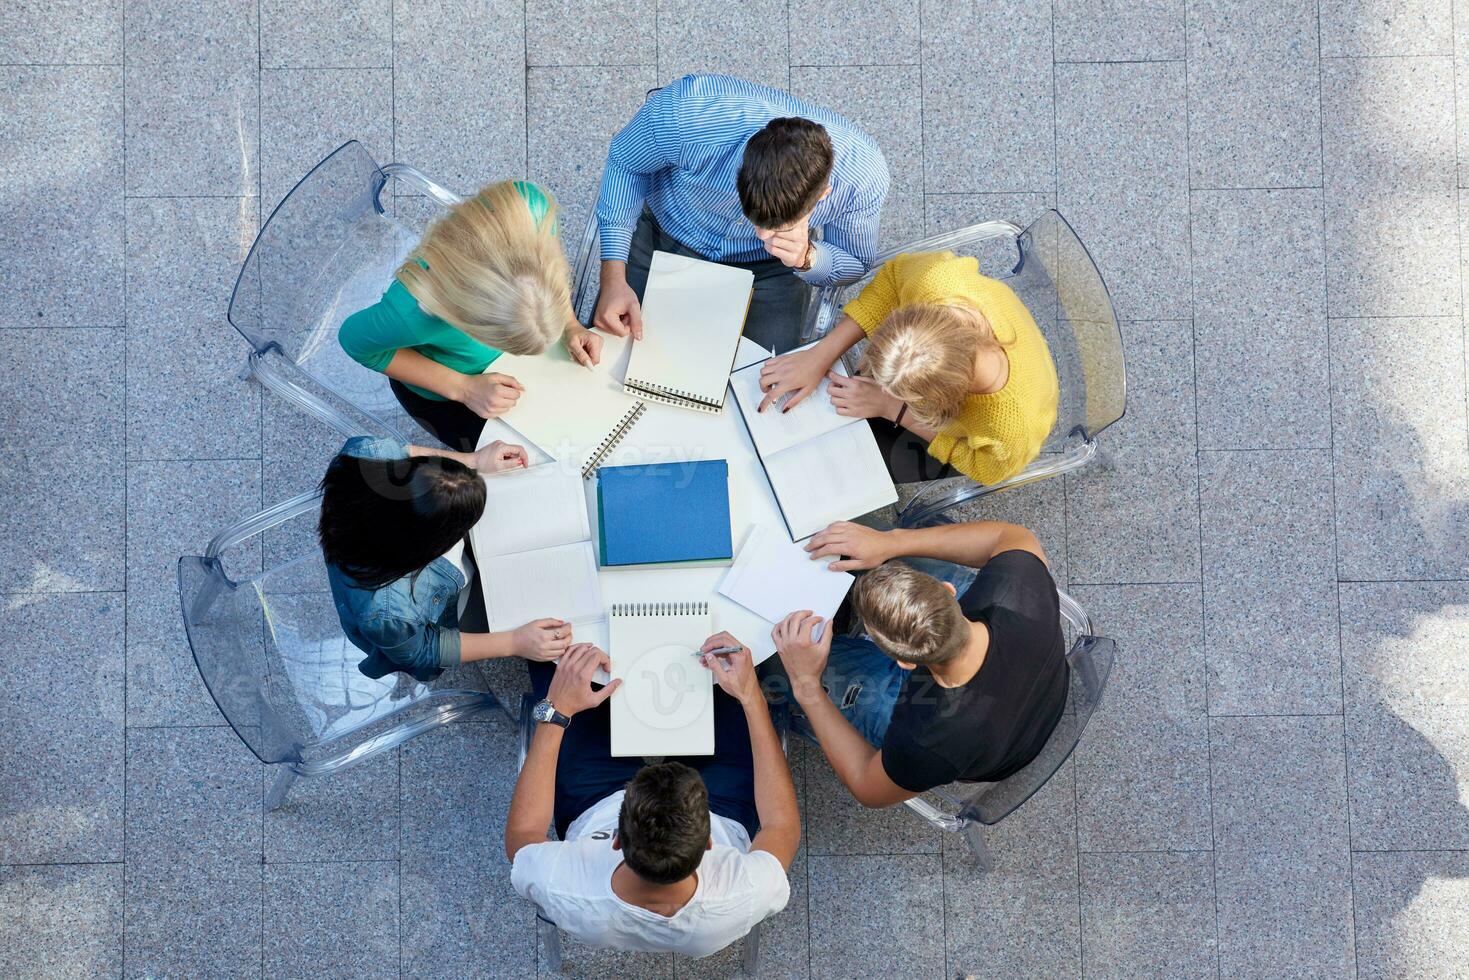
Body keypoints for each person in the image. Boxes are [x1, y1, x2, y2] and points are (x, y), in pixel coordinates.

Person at [505, 637, 800, 957]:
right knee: (731, 666)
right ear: (709, 843)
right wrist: (752, 696)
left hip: (593, 802)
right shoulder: (750, 890)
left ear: (616, 840)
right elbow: (781, 825)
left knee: (555, 652)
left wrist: (557, 712)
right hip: (725, 807)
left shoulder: (559, 883)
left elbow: (523, 835)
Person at [761, 519, 1067, 806]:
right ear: (948, 591)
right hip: (1037, 685)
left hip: (982, 743)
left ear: (901, 663)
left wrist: (806, 685)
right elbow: (1011, 537)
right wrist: (890, 542)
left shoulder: (926, 739)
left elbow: (869, 788)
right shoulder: (1021, 588)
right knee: (856, 536)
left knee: (775, 662)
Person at [592, 73, 890, 355]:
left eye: (775, 228)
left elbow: (856, 262)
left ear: (822, 196)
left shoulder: (861, 179)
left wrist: (807, 257)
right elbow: (626, 164)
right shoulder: (686, 114)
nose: (761, 235)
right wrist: (613, 279)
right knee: (612, 350)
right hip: (667, 233)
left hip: (770, 269)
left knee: (769, 384)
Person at [338, 180, 604, 451]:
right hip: (449, 392)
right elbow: (355, 344)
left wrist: (568, 324)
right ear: (470, 320)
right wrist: (465, 388)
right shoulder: (413, 313)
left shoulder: (530, 209)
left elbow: (546, 268)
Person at [756, 250, 1059, 484]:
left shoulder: (1011, 429)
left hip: (977, 431)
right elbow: (893, 279)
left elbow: (988, 470)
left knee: (840, 466)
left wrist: (894, 410)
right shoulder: (935, 282)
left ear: (938, 404)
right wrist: (821, 354)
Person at [319, 435, 579, 681]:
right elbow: (421, 652)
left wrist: (473, 461)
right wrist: (515, 642)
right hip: (434, 613)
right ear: (432, 543)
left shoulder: (364, 457)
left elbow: (405, 453)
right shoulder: (387, 613)